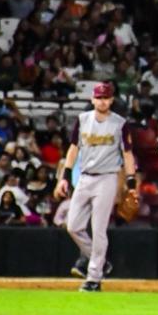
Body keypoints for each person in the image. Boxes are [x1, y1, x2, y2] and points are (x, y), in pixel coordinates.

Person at [54, 82, 137, 292]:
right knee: (73, 226)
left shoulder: (119, 123)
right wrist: (65, 176)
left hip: (107, 178)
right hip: (84, 177)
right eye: (99, 98)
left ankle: (93, 278)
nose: (102, 101)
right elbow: (73, 149)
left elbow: (127, 154)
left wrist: (131, 181)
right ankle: (99, 262)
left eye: (105, 98)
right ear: (92, 99)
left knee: (98, 229)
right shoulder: (82, 120)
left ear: (111, 100)